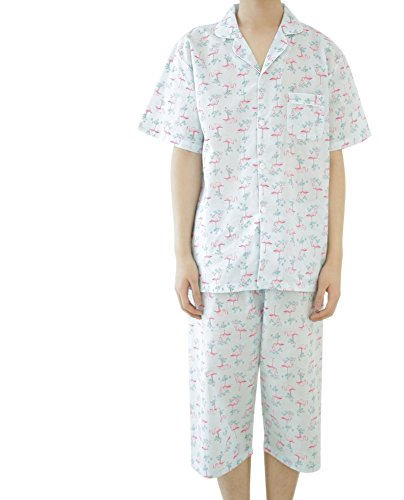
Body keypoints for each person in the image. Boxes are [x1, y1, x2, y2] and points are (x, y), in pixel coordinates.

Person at [138, 1, 371, 498]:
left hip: (299, 265)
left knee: (294, 406)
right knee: (221, 406)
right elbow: (186, 153)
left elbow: (334, 161)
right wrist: (182, 254)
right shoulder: (197, 50)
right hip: (221, 261)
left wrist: (335, 259)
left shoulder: (322, 55)